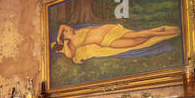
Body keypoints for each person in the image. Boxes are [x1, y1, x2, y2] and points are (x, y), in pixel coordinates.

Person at [52, 23, 180, 64]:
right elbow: (69, 56)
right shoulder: (71, 45)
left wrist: (59, 37)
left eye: (66, 31)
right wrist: (64, 44)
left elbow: (62, 25)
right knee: (135, 42)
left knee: (135, 35)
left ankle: (164, 33)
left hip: (107, 30)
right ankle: (155, 32)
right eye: (66, 33)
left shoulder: (69, 32)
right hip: (105, 41)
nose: (68, 30)